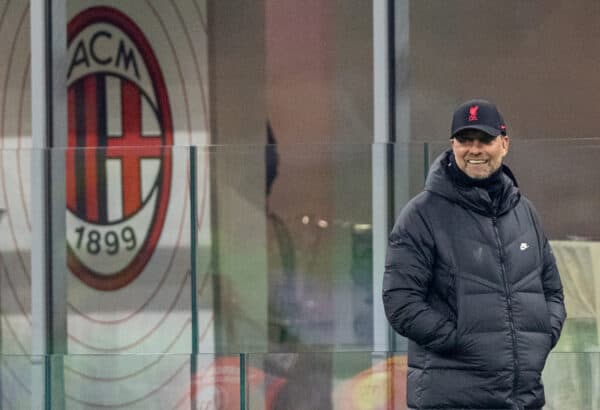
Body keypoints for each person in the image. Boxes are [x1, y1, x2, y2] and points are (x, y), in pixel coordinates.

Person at [382, 99, 566, 410]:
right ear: (453, 145)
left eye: (485, 140)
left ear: (504, 144)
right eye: (465, 140)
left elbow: (552, 291)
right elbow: (401, 302)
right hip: (450, 400)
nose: (474, 149)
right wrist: (460, 340)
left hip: (523, 399)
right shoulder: (422, 215)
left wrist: (541, 338)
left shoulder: (525, 212)